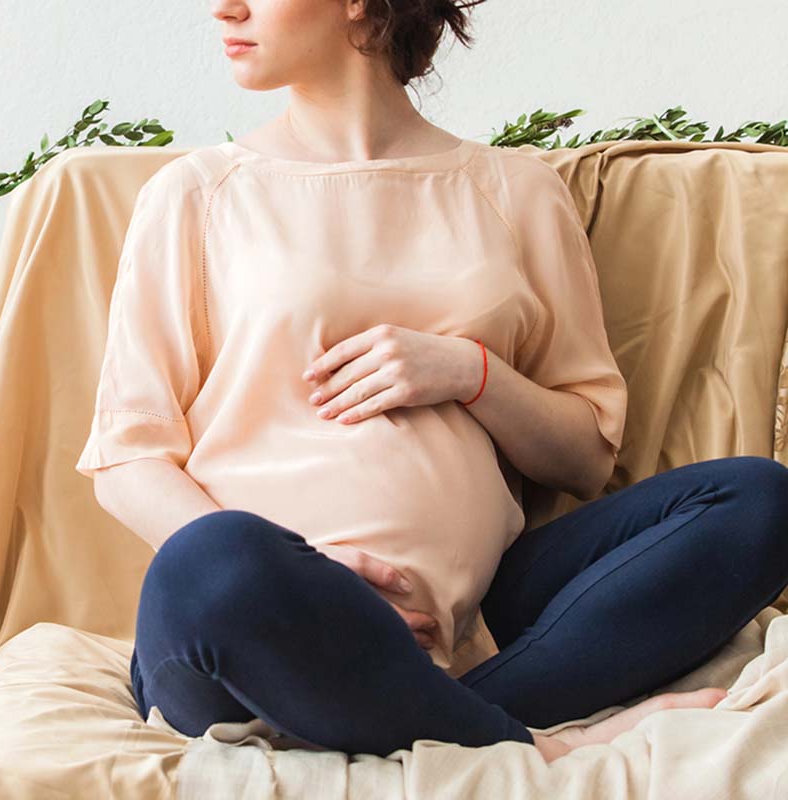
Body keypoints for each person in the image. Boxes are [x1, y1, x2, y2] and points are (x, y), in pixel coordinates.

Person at [75, 0, 788, 764]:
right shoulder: (195, 195)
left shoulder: (514, 190)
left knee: (758, 500)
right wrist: (316, 584)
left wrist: (469, 372)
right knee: (211, 561)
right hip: (249, 616)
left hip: (466, 613)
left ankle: (394, 710)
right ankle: (534, 745)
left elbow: (585, 458)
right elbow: (128, 457)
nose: (225, 7)